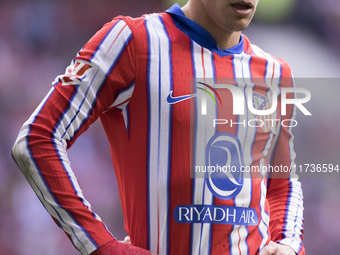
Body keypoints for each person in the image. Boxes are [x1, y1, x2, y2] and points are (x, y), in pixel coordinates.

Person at [12, 0, 304, 254]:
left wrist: (289, 243)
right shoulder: (132, 41)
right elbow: (38, 137)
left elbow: (282, 182)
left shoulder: (275, 72)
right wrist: (101, 245)